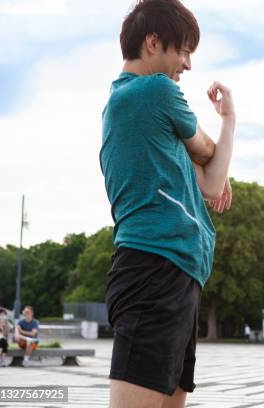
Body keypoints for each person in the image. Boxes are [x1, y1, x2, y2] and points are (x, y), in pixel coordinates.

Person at [100, 1, 235, 407]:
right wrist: (215, 144)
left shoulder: (148, 122)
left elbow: (211, 185)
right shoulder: (154, 91)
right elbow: (209, 154)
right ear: (153, 42)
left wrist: (229, 119)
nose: (188, 65)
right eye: (183, 51)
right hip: (154, 269)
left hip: (177, 275)